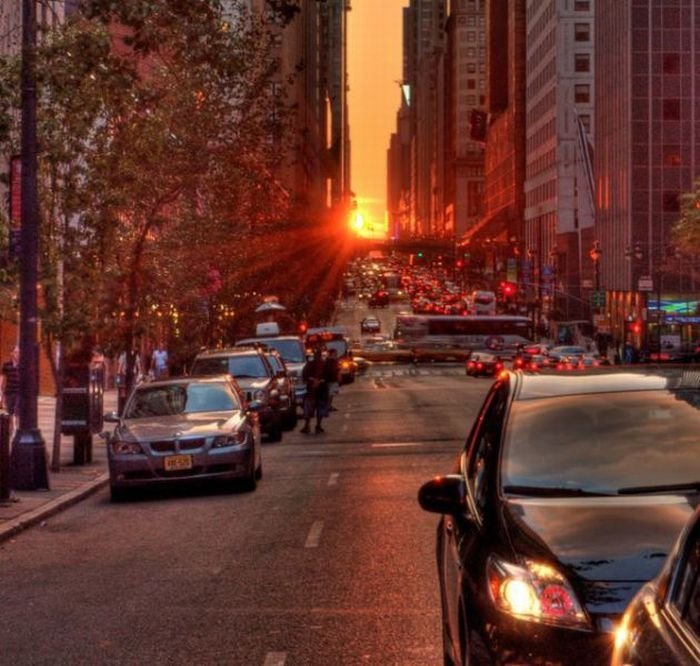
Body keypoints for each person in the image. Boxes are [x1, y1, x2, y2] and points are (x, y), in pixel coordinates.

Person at [300, 347, 332, 434]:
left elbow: (329, 376)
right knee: (311, 408)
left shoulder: (323, 365)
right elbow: (305, 375)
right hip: (314, 390)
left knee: (317, 408)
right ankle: (311, 425)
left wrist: (319, 381)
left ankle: (313, 425)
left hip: (319, 390)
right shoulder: (312, 364)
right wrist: (314, 380)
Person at [0, 346, 20, 436]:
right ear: (11, 353)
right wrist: (2, 393)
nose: (17, 354)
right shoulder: (6, 365)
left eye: (18, 352)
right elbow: (3, 379)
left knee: (17, 412)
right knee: (10, 412)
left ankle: (19, 430)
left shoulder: (22, 365)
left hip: (19, 392)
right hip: (9, 392)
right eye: (15, 352)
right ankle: (12, 428)